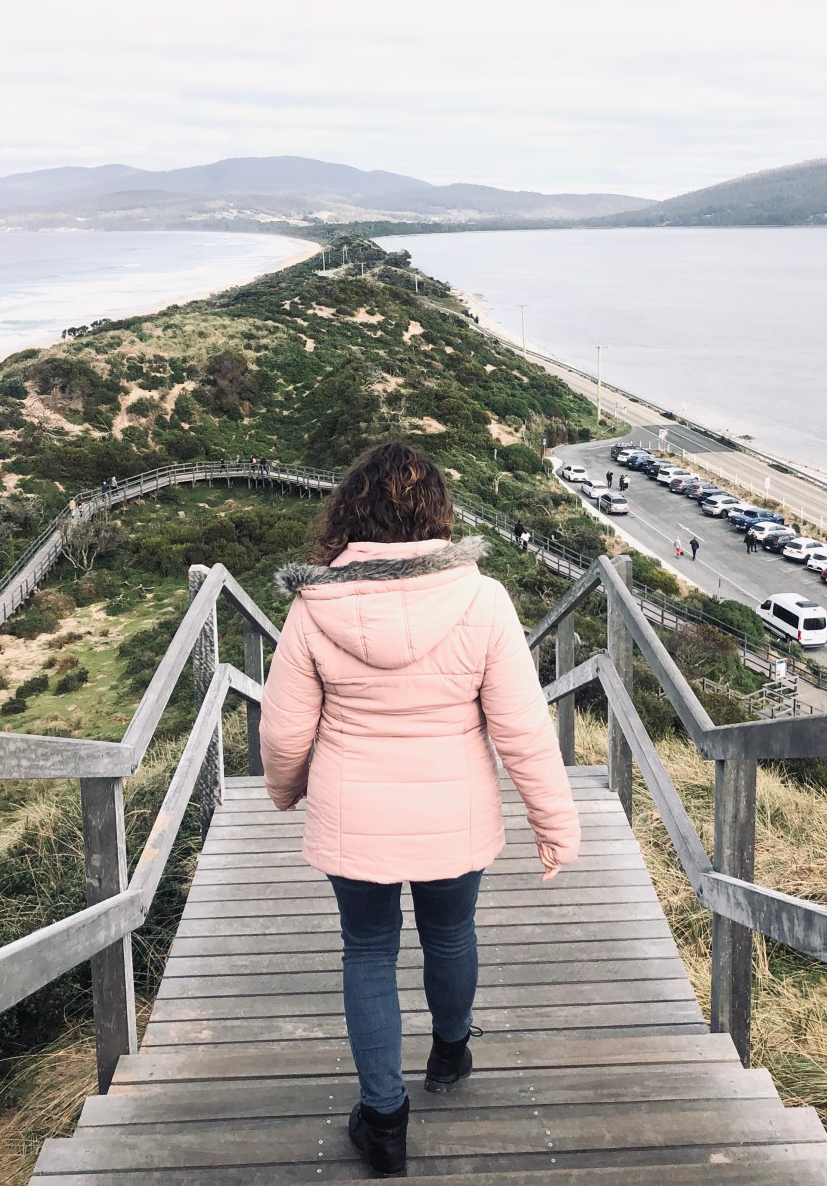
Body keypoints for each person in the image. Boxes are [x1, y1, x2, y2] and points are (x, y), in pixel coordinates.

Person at [259, 443, 581, 1179]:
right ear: (437, 514)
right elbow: (523, 726)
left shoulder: (313, 608)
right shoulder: (483, 599)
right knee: (450, 931)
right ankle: (450, 1049)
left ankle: (384, 1122)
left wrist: (285, 790)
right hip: (454, 812)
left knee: (368, 951)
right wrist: (554, 823)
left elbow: (282, 732)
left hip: (353, 814)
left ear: (349, 513)